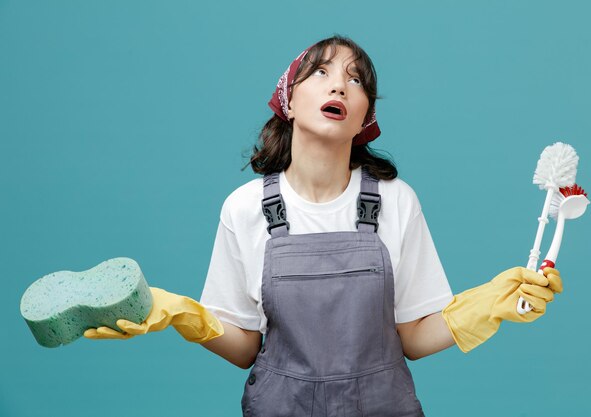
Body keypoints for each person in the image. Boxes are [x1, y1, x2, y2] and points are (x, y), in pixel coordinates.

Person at [84, 35, 563, 416]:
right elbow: (244, 347)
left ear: (363, 119)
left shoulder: (395, 201)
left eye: (356, 81)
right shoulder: (245, 208)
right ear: (287, 101)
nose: (339, 86)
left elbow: (414, 338)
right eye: (322, 72)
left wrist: (488, 308)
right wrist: (179, 314)